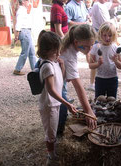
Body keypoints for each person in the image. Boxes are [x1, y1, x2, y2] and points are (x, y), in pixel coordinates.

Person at [37, 30, 77, 164]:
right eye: (55, 52)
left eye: (59, 51)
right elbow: (51, 90)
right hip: (49, 104)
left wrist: (62, 65)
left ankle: (52, 150)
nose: (58, 54)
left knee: (53, 129)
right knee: (50, 132)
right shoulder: (47, 66)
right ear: (45, 51)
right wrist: (67, 103)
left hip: (55, 102)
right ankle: (51, 155)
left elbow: (62, 79)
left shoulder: (54, 62)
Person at [60, 24, 97, 129]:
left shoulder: (71, 42)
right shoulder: (69, 55)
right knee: (60, 113)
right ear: (76, 42)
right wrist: (89, 112)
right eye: (86, 46)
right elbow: (78, 86)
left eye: (92, 45)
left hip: (57, 78)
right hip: (51, 80)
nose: (89, 49)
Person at [50, 0, 71, 136]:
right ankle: (59, 125)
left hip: (60, 45)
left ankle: (61, 115)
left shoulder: (60, 7)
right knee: (60, 84)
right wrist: (66, 44)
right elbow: (58, 30)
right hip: (60, 44)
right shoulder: (57, 8)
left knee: (62, 78)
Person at [89, 22, 121, 98]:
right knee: (99, 100)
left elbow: (120, 66)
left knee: (112, 100)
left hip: (113, 78)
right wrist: (98, 64)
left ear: (114, 35)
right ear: (100, 34)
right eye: (105, 35)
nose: (107, 38)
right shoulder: (95, 47)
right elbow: (90, 65)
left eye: (110, 35)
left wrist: (116, 61)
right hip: (100, 79)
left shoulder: (115, 48)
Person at [13, 0, 37, 75]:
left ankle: (35, 68)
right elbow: (19, 22)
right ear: (23, 2)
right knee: (25, 52)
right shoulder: (21, 10)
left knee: (32, 51)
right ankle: (17, 69)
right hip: (24, 31)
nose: (29, 2)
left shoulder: (23, 10)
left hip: (26, 31)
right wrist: (17, 33)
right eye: (27, 1)